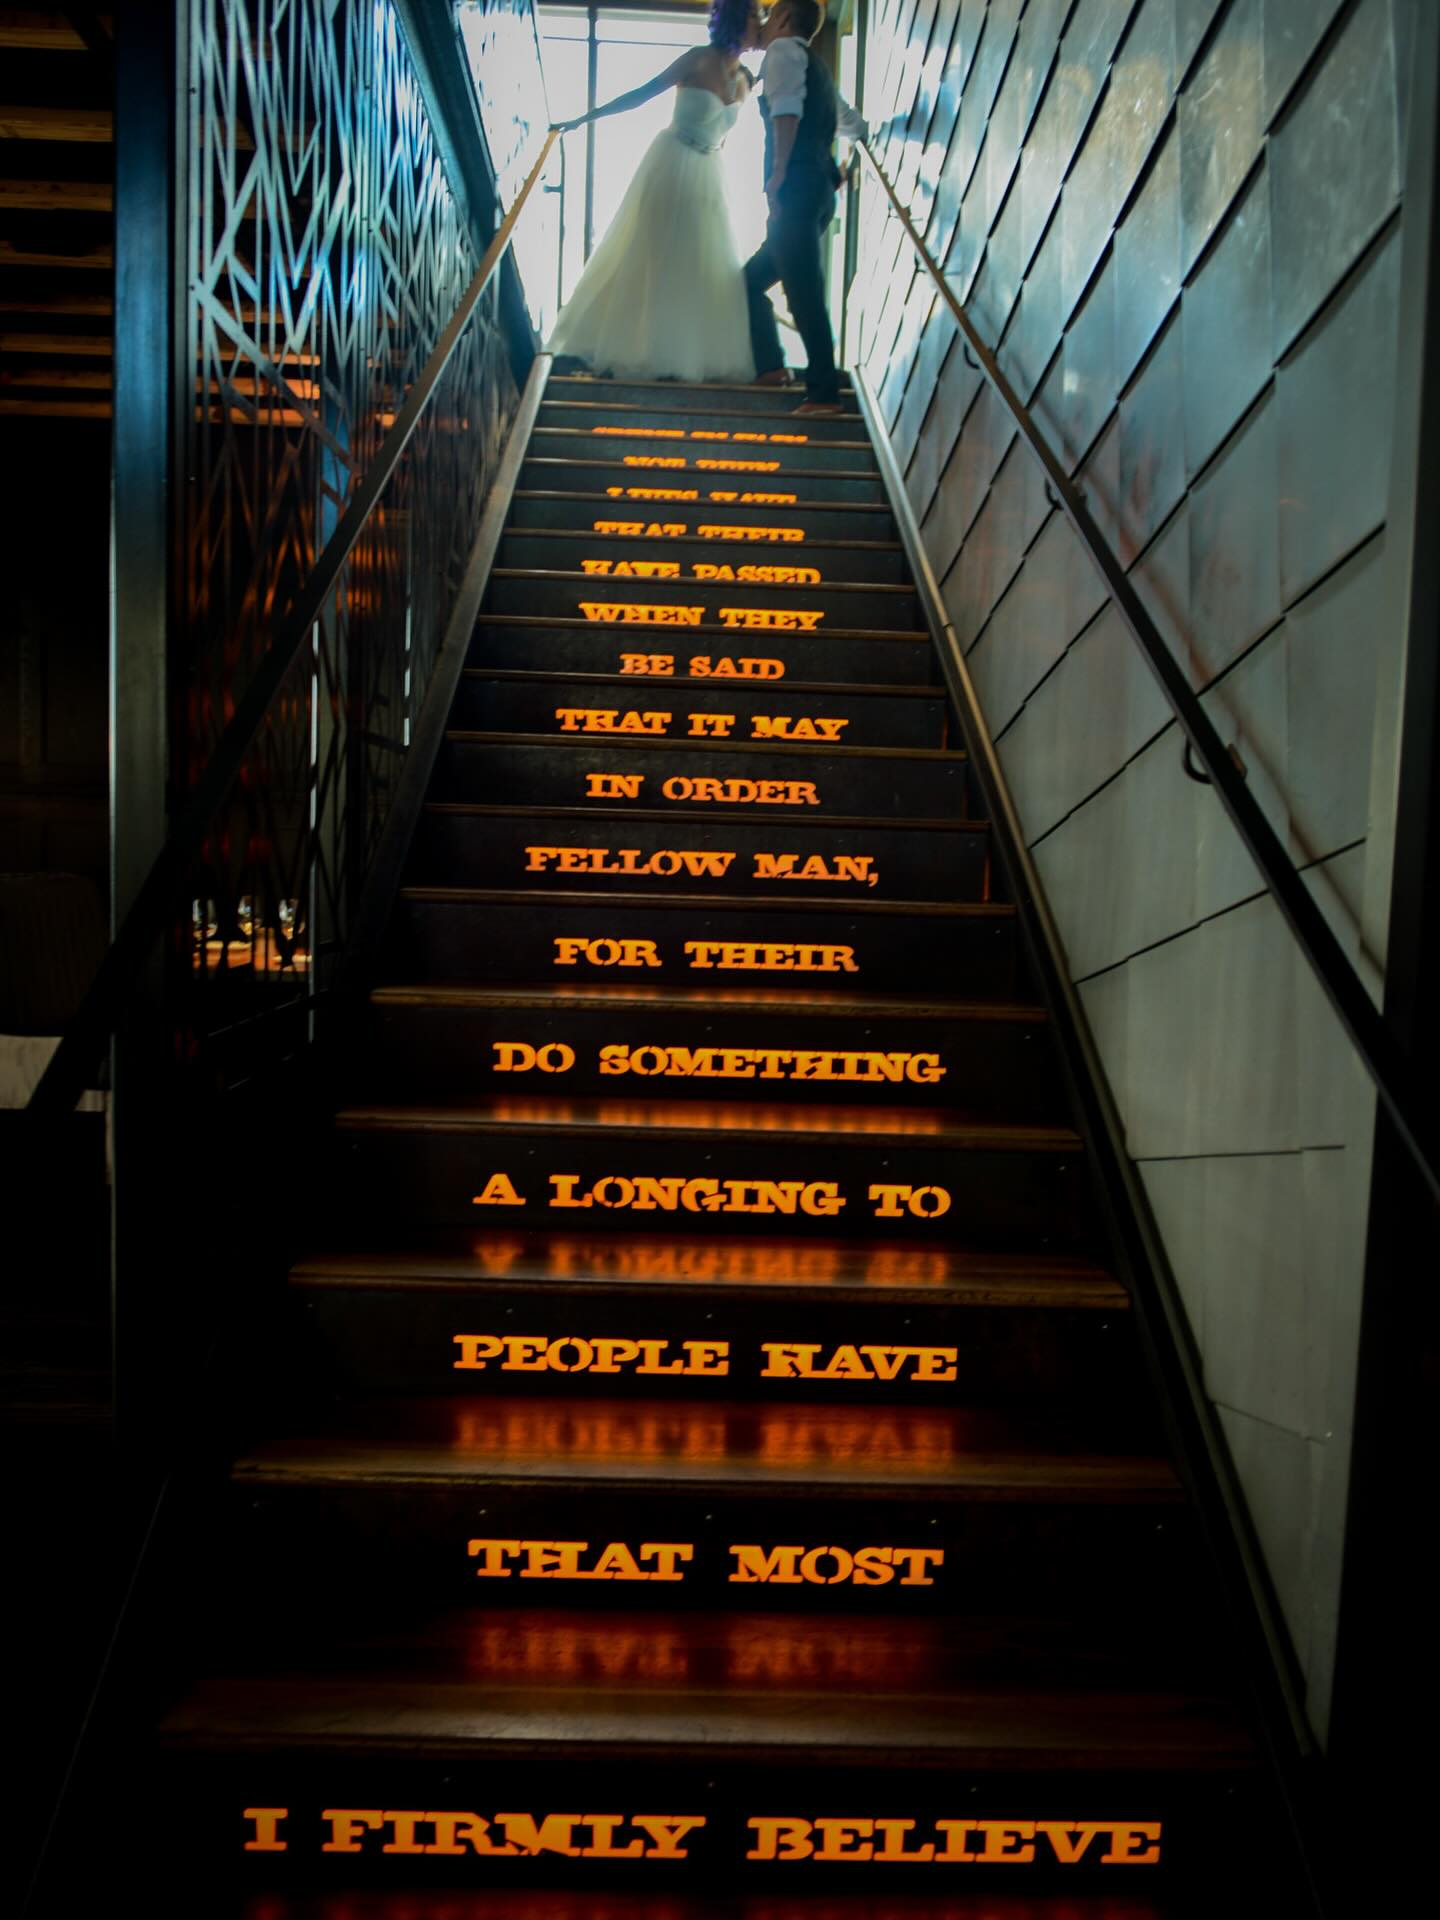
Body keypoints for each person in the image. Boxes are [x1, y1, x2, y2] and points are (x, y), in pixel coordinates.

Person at [546, 0, 764, 384]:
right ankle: (618, 347)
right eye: (752, 15)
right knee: (652, 254)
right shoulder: (697, 59)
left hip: (709, 174)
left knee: (700, 264)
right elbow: (641, 94)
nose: (758, 22)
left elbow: (725, 136)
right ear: (733, 19)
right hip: (671, 163)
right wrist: (582, 120)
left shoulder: (747, 78)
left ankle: (682, 358)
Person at [744, 0, 867, 415]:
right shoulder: (819, 68)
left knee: (805, 293)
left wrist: (777, 175)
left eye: (768, 16)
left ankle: (824, 394)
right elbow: (853, 124)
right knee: (751, 281)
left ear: (781, 18)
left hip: (795, 188)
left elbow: (787, 111)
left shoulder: (782, 53)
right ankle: (772, 367)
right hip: (817, 192)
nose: (763, 26)